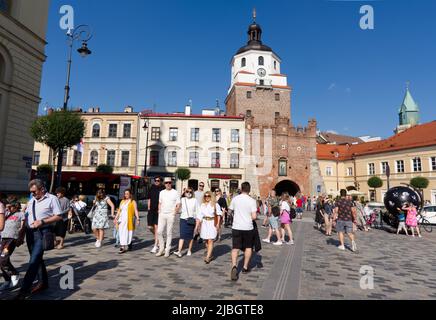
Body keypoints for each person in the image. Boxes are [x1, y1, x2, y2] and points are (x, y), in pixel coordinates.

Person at [15, 179, 62, 300]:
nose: (32, 194)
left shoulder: (52, 199)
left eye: (34, 191)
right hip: (30, 233)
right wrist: (21, 234)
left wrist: (42, 221)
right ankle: (43, 282)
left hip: (43, 232)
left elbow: (58, 216)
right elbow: (27, 217)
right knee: (36, 259)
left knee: (33, 261)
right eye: (31, 192)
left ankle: (23, 291)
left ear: (42, 189)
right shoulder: (32, 201)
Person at [229, 182, 257, 281]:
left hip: (236, 226)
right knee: (248, 247)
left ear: (241, 189)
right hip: (248, 227)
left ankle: (234, 266)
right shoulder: (252, 201)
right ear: (249, 189)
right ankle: (245, 267)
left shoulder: (235, 199)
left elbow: (230, 211)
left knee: (235, 248)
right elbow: (254, 216)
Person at [0, 198, 25, 291]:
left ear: (16, 206)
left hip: (12, 239)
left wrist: (21, 238)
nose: (8, 209)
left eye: (10, 207)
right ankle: (7, 280)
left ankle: (14, 273)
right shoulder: (6, 214)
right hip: (3, 239)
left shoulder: (21, 214)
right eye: (7, 207)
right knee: (2, 260)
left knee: (3, 258)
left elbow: (23, 228)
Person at [156, 178, 181, 257]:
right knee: (159, 231)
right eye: (166, 183)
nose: (168, 184)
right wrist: (159, 210)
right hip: (162, 214)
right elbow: (160, 202)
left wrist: (175, 212)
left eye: (169, 182)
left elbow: (178, 204)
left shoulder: (175, 192)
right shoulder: (162, 192)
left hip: (170, 214)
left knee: (169, 233)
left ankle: (167, 250)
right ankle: (161, 248)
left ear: (172, 183)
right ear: (164, 184)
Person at [195, 191, 222, 264]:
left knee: (210, 240)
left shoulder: (215, 204)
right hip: (204, 223)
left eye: (208, 196)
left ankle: (207, 257)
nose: (207, 197)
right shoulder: (202, 205)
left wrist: (218, 224)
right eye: (205, 196)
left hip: (212, 223)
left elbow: (219, 214)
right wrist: (197, 226)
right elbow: (199, 216)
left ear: (211, 196)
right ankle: (210, 254)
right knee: (206, 240)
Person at [174, 188, 199, 258]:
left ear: (192, 193)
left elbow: (198, 211)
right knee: (182, 236)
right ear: (185, 192)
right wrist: (177, 210)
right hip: (183, 219)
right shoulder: (182, 199)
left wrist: (197, 222)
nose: (189, 193)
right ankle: (179, 251)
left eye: (190, 192)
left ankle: (189, 250)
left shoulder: (195, 200)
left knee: (190, 236)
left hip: (191, 220)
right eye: (187, 191)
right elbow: (179, 208)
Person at [114, 189, 140, 254]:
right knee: (121, 233)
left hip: (129, 220)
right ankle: (122, 247)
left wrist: (138, 218)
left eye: (127, 194)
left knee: (128, 233)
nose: (126, 195)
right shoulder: (122, 201)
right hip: (121, 220)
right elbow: (119, 210)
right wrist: (115, 218)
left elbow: (136, 210)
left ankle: (128, 243)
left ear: (130, 194)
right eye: (125, 194)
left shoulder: (133, 201)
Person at [148, 177, 165, 254]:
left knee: (156, 227)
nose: (156, 182)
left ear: (161, 181)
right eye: (155, 180)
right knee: (150, 227)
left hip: (158, 210)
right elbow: (149, 198)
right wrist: (148, 208)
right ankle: (159, 236)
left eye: (158, 181)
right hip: (151, 210)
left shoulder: (162, 189)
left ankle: (156, 245)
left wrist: (161, 209)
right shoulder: (152, 187)